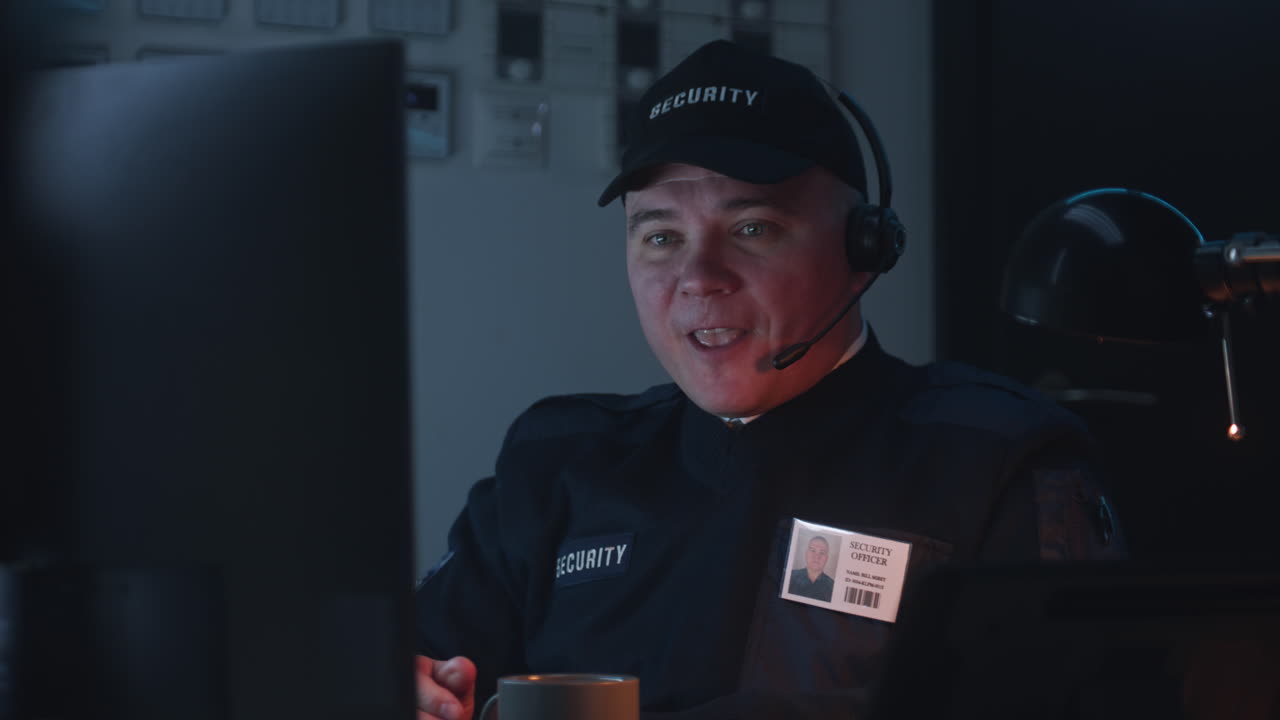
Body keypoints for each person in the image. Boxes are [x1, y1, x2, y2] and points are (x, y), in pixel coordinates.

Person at [414, 40, 1123, 720]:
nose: (698, 279)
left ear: (865, 249)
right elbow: (416, 670)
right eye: (661, 237)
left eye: (752, 228)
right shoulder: (555, 461)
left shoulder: (996, 458)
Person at [787, 535, 835, 602]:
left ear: (826, 558)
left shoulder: (833, 587)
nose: (817, 556)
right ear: (806, 553)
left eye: (822, 552)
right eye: (813, 550)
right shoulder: (789, 577)